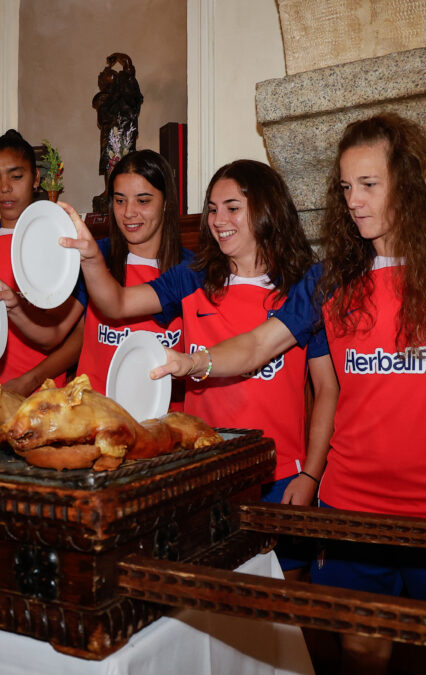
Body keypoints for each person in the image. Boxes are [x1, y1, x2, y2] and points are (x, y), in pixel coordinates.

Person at [154, 114, 426, 674]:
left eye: (369, 185)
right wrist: (194, 361)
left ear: (407, 185)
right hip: (351, 511)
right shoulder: (329, 279)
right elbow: (260, 344)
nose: (354, 201)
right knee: (361, 651)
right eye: (345, 187)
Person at [60, 160, 338, 576]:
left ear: (267, 210)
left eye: (231, 208)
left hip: (281, 475)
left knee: (284, 613)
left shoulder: (302, 288)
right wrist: (89, 257)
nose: (218, 221)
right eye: (211, 209)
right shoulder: (192, 277)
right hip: (203, 473)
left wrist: (312, 475)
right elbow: (115, 303)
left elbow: (326, 389)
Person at [0, 149, 192, 398]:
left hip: (162, 419)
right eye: (120, 200)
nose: (129, 212)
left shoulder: (190, 270)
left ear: (165, 203)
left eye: (143, 201)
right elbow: (52, 335)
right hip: (91, 413)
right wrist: (15, 308)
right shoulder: (95, 255)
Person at [0, 129, 82, 395]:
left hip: (39, 392)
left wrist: (31, 380)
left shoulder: (64, 241)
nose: (4, 188)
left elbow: (77, 337)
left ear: (36, 179)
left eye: (16, 176)